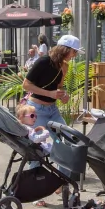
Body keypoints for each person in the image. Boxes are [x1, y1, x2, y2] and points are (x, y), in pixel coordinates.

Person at [23, 34, 81, 179]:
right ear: (65, 50)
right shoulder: (43, 61)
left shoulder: (65, 66)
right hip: (37, 110)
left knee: (66, 142)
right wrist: (49, 93)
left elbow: (59, 87)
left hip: (53, 110)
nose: (75, 55)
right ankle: (36, 187)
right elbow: (26, 85)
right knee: (37, 148)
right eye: (74, 52)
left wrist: (63, 95)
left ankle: (61, 181)